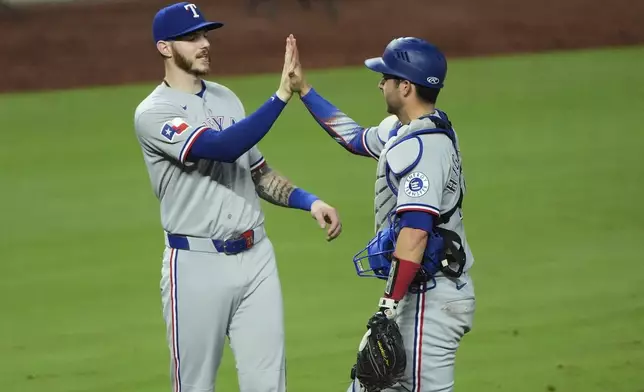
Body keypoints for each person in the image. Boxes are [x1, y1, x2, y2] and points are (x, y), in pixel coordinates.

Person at [132, 3, 342, 392]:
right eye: (192, 37)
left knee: (269, 385)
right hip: (196, 265)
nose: (204, 43)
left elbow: (257, 171)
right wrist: (281, 95)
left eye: (206, 35)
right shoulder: (153, 113)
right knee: (194, 386)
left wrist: (308, 201)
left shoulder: (227, 98)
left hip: (256, 258)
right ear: (164, 48)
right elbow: (223, 146)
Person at [288, 37, 476, 391]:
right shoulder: (404, 130)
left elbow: (416, 232)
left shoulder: (426, 148)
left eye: (386, 77)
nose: (380, 83)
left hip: (431, 301)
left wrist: (387, 307)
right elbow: (355, 138)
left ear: (405, 87)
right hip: (414, 292)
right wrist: (304, 90)